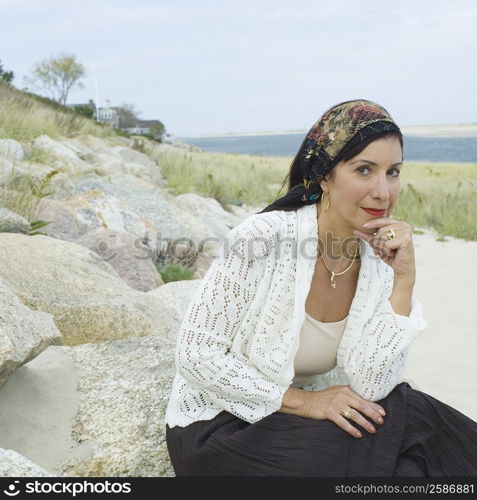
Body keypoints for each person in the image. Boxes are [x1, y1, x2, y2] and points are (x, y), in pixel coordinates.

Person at [164, 99, 477, 477]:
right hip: (224, 427)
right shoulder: (263, 238)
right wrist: (304, 403)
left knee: (409, 456)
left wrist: (403, 281)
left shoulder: (378, 258)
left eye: (393, 172)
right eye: (365, 170)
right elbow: (196, 356)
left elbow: (371, 384)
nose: (383, 191)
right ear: (325, 175)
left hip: (298, 428)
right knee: (413, 421)